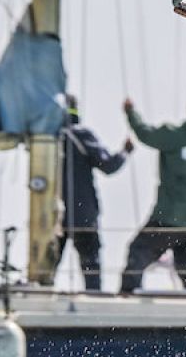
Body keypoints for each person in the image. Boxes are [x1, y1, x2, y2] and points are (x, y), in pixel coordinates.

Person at [118, 93, 186, 293]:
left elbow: (144, 134)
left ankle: (128, 298)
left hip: (168, 218)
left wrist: (131, 113)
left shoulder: (175, 137)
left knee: (138, 253)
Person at [56, 94, 133, 292]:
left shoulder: (45, 137)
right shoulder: (81, 135)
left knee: (44, 268)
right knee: (91, 266)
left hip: (49, 215)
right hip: (82, 213)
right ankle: (94, 301)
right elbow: (108, 165)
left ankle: (37, 298)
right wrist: (125, 152)